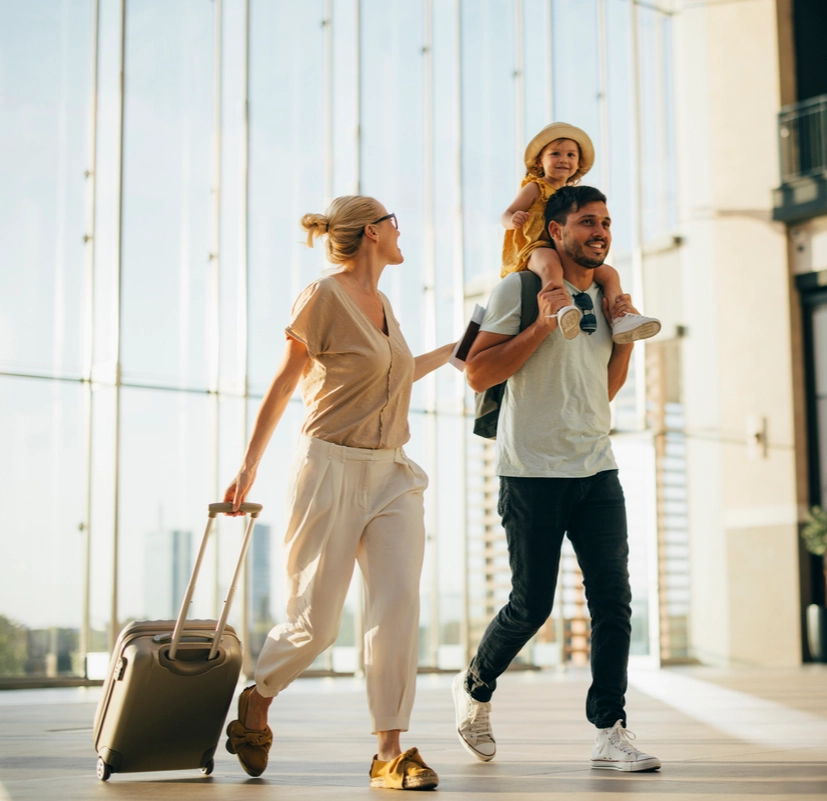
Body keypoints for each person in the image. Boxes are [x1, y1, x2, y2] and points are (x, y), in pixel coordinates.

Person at [221, 195, 453, 791]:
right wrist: (248, 466)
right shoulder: (323, 297)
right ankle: (259, 696)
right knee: (316, 623)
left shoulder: (386, 304)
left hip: (392, 474)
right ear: (373, 231)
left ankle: (390, 752)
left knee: (397, 605)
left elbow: (394, 375)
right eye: (395, 222)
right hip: (329, 468)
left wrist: (458, 348)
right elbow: (283, 382)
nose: (402, 232)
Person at [456, 185, 661, 772]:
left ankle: (609, 729)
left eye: (607, 223)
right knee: (531, 604)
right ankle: (473, 686)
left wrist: (624, 339)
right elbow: (476, 373)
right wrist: (543, 327)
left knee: (613, 601)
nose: (600, 232)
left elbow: (603, 389)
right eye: (588, 222)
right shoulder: (519, 289)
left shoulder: (605, 294)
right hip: (532, 472)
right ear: (556, 231)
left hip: (597, 468)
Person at [501, 122, 660, 344]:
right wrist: (513, 220)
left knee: (609, 274)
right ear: (540, 161)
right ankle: (560, 307)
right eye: (555, 154)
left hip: (565, 249)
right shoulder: (535, 187)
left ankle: (622, 316)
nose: (563, 159)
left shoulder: (573, 195)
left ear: (578, 163)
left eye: (571, 155)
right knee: (550, 264)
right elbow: (507, 212)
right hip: (536, 246)